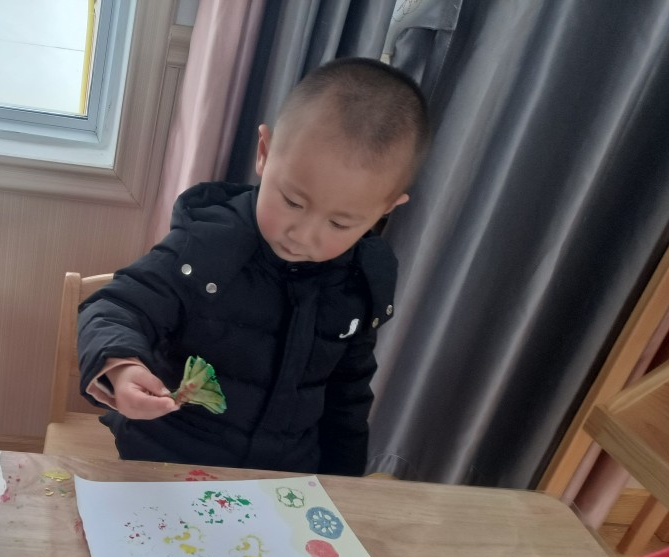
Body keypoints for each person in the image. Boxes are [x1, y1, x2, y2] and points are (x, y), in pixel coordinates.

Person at [78, 57, 428, 475]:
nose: (304, 234)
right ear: (264, 153)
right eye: (292, 201)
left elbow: (347, 399)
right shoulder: (204, 246)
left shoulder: (361, 283)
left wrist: (343, 486)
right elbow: (115, 308)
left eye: (340, 223)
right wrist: (122, 365)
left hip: (282, 477)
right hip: (168, 459)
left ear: (385, 209)